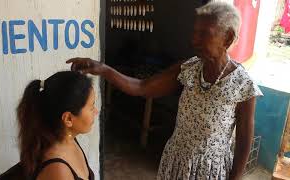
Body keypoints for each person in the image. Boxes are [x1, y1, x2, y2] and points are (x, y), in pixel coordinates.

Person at [67, 2, 263, 179]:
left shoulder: (242, 85)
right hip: (176, 160)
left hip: (210, 170)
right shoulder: (189, 69)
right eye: (194, 32)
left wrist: (235, 178)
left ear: (227, 37)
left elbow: (244, 140)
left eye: (204, 33)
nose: (194, 39)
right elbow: (142, 88)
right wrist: (103, 69)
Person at [17, 71, 98, 180]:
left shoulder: (68, 138)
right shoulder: (58, 170)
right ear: (68, 119)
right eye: (92, 107)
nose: (96, 111)